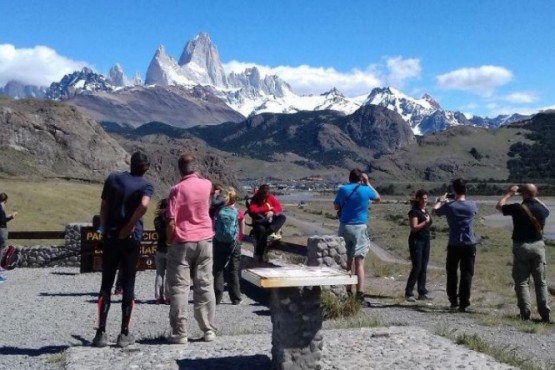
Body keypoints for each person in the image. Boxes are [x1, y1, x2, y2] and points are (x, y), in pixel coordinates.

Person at [92, 151, 154, 348]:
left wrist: (103, 229)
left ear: (131, 163)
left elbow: (103, 206)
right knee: (128, 284)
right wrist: (129, 226)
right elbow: (144, 205)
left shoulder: (113, 179)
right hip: (131, 238)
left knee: (106, 284)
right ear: (146, 168)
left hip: (110, 236)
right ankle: (124, 334)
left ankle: (101, 333)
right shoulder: (146, 186)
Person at [165, 153, 217, 344]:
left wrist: (170, 240)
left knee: (180, 287)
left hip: (183, 241)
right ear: (195, 168)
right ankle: (208, 330)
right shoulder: (207, 185)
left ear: (179, 169)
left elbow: (170, 220)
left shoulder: (176, 189)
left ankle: (180, 333)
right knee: (205, 285)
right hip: (205, 238)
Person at [496, 184, 551, 322]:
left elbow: (499, 206)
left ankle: (525, 313)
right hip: (538, 246)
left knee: (521, 282)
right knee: (541, 282)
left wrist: (509, 193)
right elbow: (546, 208)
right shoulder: (542, 210)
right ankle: (544, 313)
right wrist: (534, 196)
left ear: (523, 193)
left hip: (521, 246)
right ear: (535, 193)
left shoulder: (517, 208)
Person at [334, 169, 381, 303]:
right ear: (361, 178)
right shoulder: (365, 190)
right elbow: (378, 198)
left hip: (345, 226)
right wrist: (368, 183)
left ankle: (347, 291)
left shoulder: (343, 189)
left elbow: (336, 206)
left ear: (349, 178)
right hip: (359, 227)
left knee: (347, 261)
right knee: (359, 262)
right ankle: (360, 295)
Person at [433, 178, 478, 312]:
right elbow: (475, 212)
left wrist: (441, 201)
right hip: (469, 242)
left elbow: (435, 211)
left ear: (454, 190)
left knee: (452, 273)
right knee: (467, 273)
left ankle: (453, 301)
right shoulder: (472, 205)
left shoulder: (449, 206)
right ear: (466, 190)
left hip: (454, 243)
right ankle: (464, 302)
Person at [213, 187, 245, 305]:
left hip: (219, 242)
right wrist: (238, 240)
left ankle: (216, 298)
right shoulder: (238, 212)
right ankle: (236, 298)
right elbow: (242, 231)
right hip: (234, 243)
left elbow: (214, 226)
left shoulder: (218, 211)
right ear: (234, 199)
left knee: (218, 269)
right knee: (233, 270)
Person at [405, 189, 433, 302]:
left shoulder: (425, 210)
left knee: (424, 266)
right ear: (418, 199)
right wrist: (425, 222)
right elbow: (414, 227)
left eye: (426, 198)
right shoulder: (414, 212)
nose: (424, 200)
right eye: (422, 198)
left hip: (426, 240)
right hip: (416, 241)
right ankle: (409, 291)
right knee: (417, 266)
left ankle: (422, 291)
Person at [248, 184, 286, 262]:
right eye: (264, 195)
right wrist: (267, 209)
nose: (265, 197)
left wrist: (272, 211)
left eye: (266, 195)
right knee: (261, 230)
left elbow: (278, 207)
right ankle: (260, 252)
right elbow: (252, 210)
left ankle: (270, 230)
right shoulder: (255, 198)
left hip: (269, 220)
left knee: (282, 217)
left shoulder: (270, 197)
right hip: (260, 221)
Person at [154, 198, 169, 304]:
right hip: (170, 248)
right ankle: (167, 296)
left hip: (160, 248)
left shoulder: (157, 219)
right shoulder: (171, 219)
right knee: (169, 273)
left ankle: (158, 296)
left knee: (159, 273)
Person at [0, 193, 17, 264]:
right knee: (1, 248)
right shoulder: (0, 207)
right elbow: (1, 221)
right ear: (5, 200)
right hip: (1, 230)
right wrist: (11, 217)